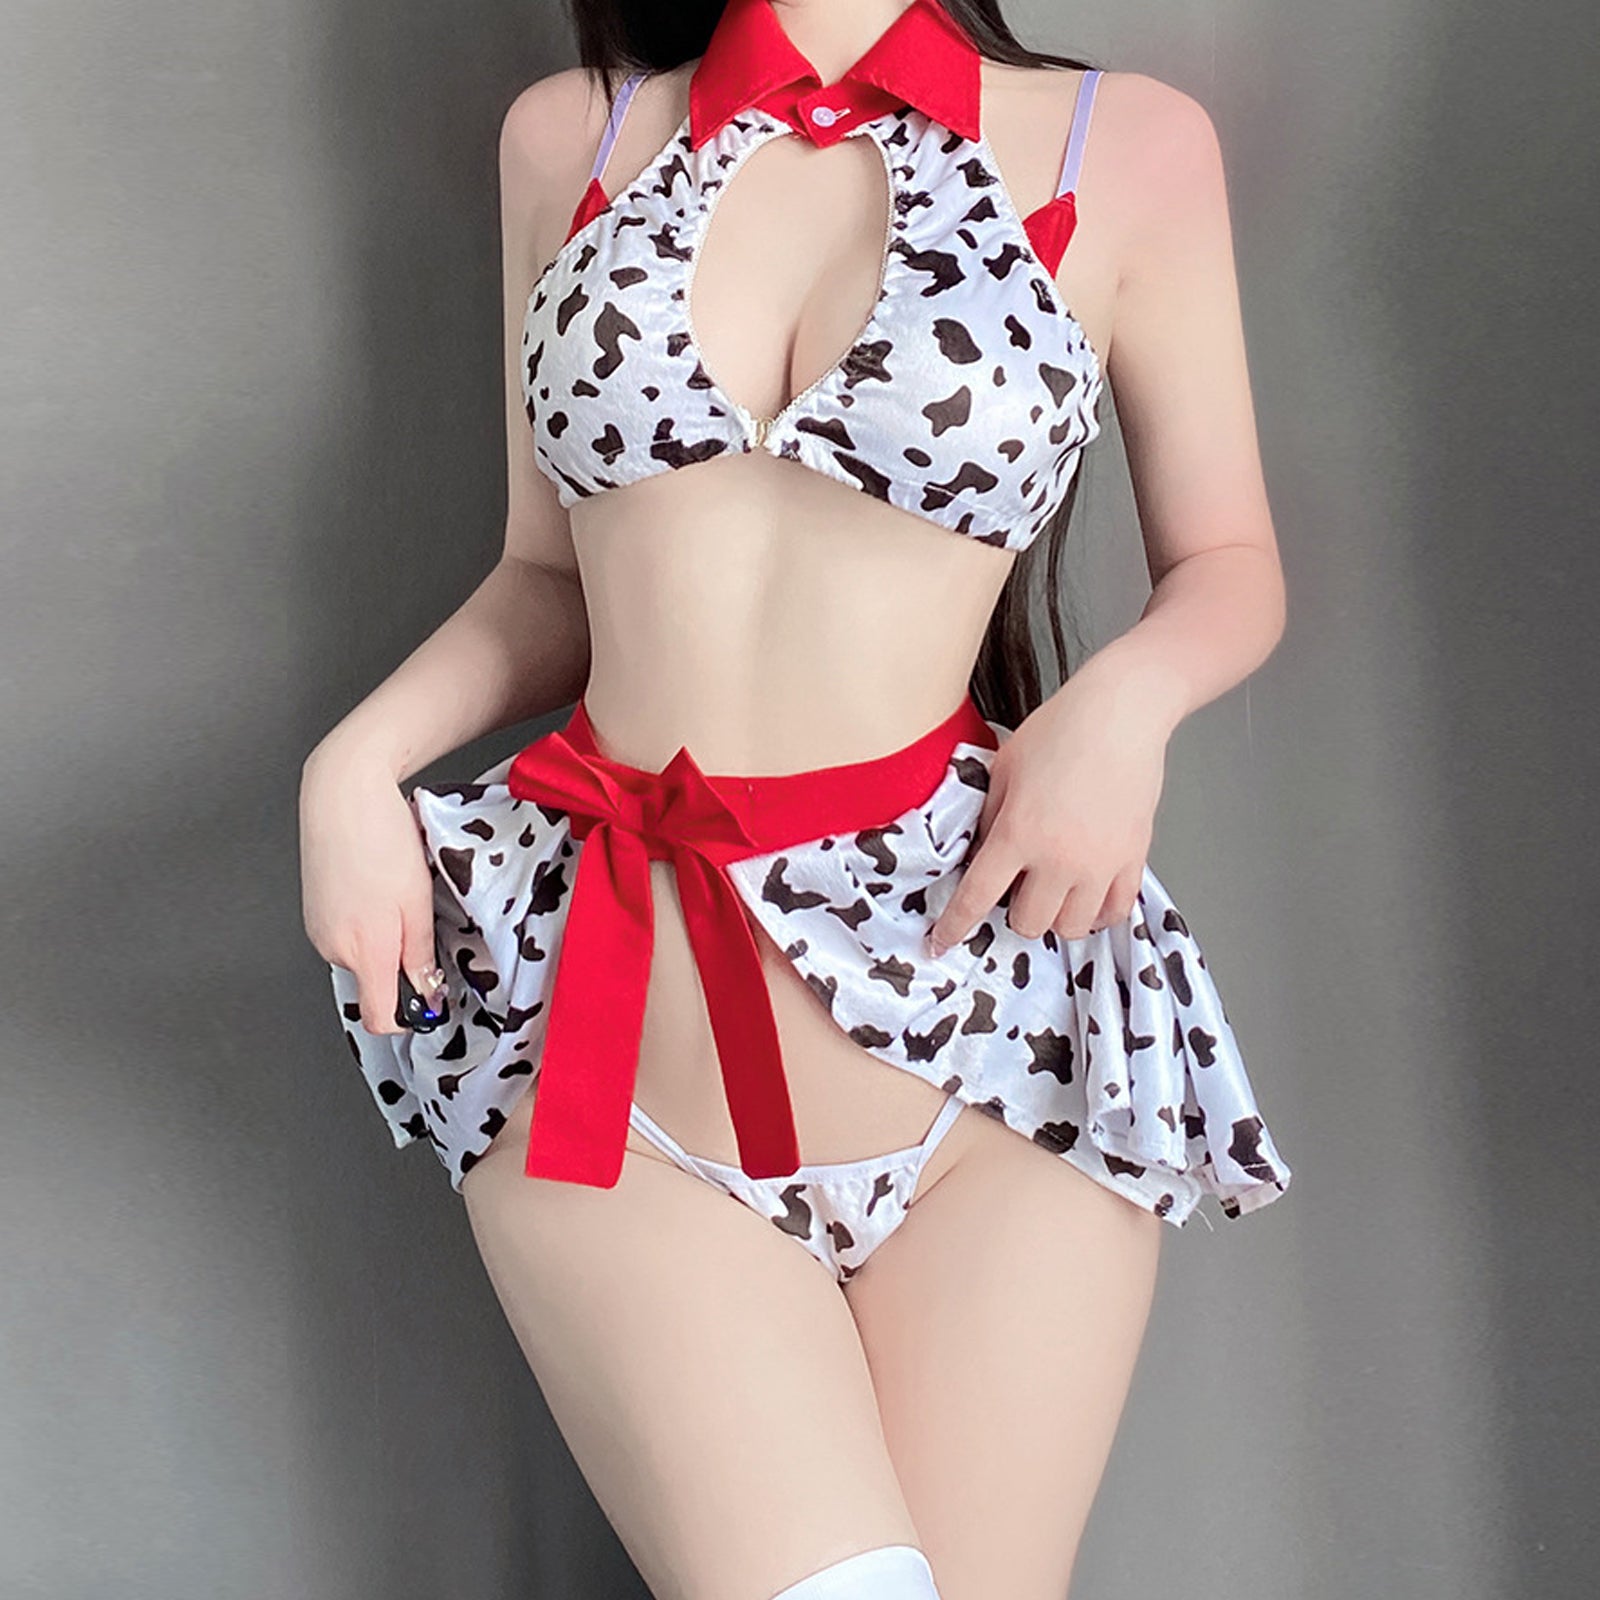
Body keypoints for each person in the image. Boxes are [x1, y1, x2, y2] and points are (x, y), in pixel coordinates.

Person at [298, 3, 1292, 1596]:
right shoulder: (572, 138)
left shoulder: (1127, 146)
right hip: (620, 1054)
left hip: (995, 1049)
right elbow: (549, 577)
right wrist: (352, 764)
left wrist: (1126, 707)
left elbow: (1230, 563)